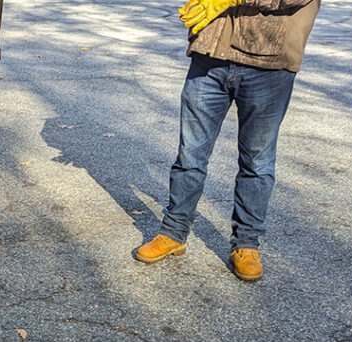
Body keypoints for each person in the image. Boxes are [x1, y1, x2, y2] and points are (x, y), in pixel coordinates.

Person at [134, 0, 321, 282]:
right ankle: (173, 232)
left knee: (257, 162)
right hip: (210, 53)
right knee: (190, 153)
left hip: (268, 61)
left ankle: (246, 245)